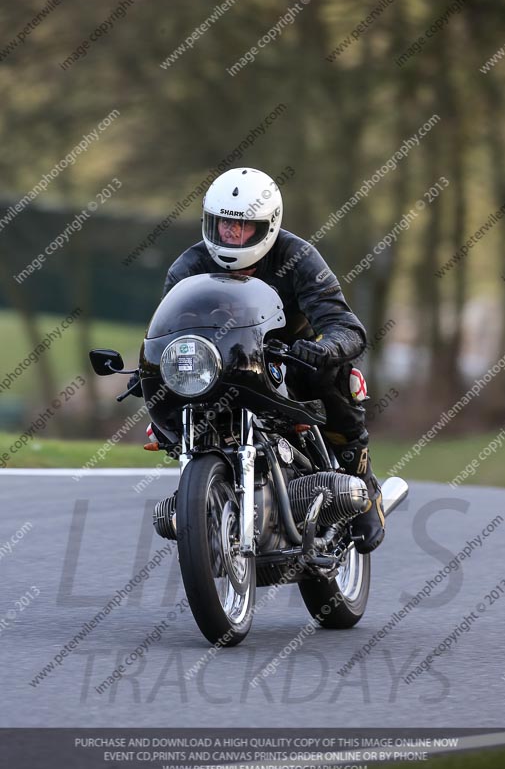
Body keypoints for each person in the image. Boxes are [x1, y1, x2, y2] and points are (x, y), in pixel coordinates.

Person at [152, 167, 385, 553]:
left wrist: (324, 348)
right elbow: (168, 333)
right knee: (165, 404)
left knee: (332, 381)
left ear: (268, 226)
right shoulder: (187, 268)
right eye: (223, 225)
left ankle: (363, 481)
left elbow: (346, 326)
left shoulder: (298, 258)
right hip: (220, 369)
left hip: (290, 361)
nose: (231, 235)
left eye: (242, 228)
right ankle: (202, 496)